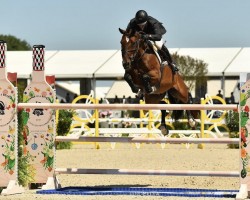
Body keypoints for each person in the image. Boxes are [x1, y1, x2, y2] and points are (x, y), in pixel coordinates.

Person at [124, 10, 178, 94]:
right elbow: (128, 34)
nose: (141, 26)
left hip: (153, 36)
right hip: (140, 38)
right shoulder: (132, 22)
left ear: (146, 21)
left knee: (160, 45)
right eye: (139, 25)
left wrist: (147, 36)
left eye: (142, 25)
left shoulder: (153, 23)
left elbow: (158, 37)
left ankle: (172, 63)